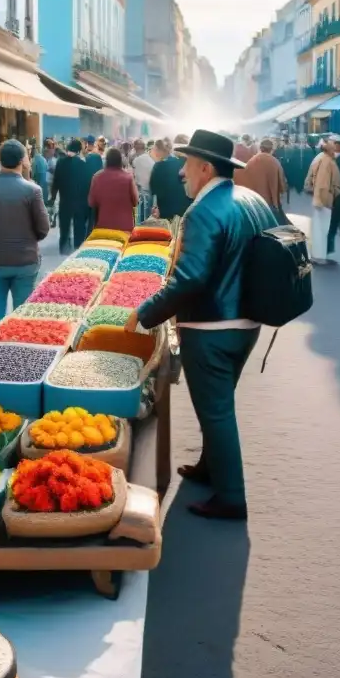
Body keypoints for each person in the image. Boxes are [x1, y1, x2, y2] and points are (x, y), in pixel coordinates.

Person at [124, 130, 277, 520]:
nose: (181, 173)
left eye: (187, 164)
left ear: (205, 168)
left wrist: (144, 314)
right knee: (217, 406)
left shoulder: (204, 211)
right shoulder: (250, 200)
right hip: (247, 322)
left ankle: (231, 497)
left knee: (217, 412)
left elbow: (190, 278)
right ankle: (211, 467)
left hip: (212, 327)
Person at [0, 140, 50, 324]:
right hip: (25, 262)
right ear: (22, 160)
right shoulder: (33, 190)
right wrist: (29, 239)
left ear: (0, 160)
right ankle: (18, 349)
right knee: (22, 318)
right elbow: (43, 229)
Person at [50, 138, 94, 253]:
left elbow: (56, 182)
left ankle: (64, 247)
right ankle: (78, 250)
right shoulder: (83, 165)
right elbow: (87, 184)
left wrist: (53, 198)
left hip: (65, 201)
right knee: (79, 227)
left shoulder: (60, 162)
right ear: (79, 151)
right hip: (80, 202)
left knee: (64, 227)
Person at [304, 136, 340, 265]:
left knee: (318, 227)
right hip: (324, 200)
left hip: (319, 198)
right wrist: (323, 200)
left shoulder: (320, 158)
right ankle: (319, 257)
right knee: (322, 228)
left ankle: (317, 255)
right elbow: (323, 183)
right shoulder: (327, 161)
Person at [89, 147, 138, 233]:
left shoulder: (97, 178)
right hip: (125, 228)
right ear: (120, 161)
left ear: (106, 161)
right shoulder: (128, 177)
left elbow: (91, 202)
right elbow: (135, 201)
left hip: (104, 228)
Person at [242, 138, 288, 223]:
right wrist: (282, 190)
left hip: (254, 201)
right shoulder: (275, 162)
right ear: (272, 149)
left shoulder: (251, 161)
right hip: (270, 201)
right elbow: (281, 183)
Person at [150, 135, 190, 220]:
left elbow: (153, 190)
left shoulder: (159, 166)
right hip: (188, 215)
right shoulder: (194, 167)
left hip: (165, 215)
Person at [131, 138, 157, 222]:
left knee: (140, 218)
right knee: (149, 217)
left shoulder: (135, 161)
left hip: (141, 193)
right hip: (151, 192)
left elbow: (134, 178)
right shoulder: (152, 160)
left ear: (135, 149)